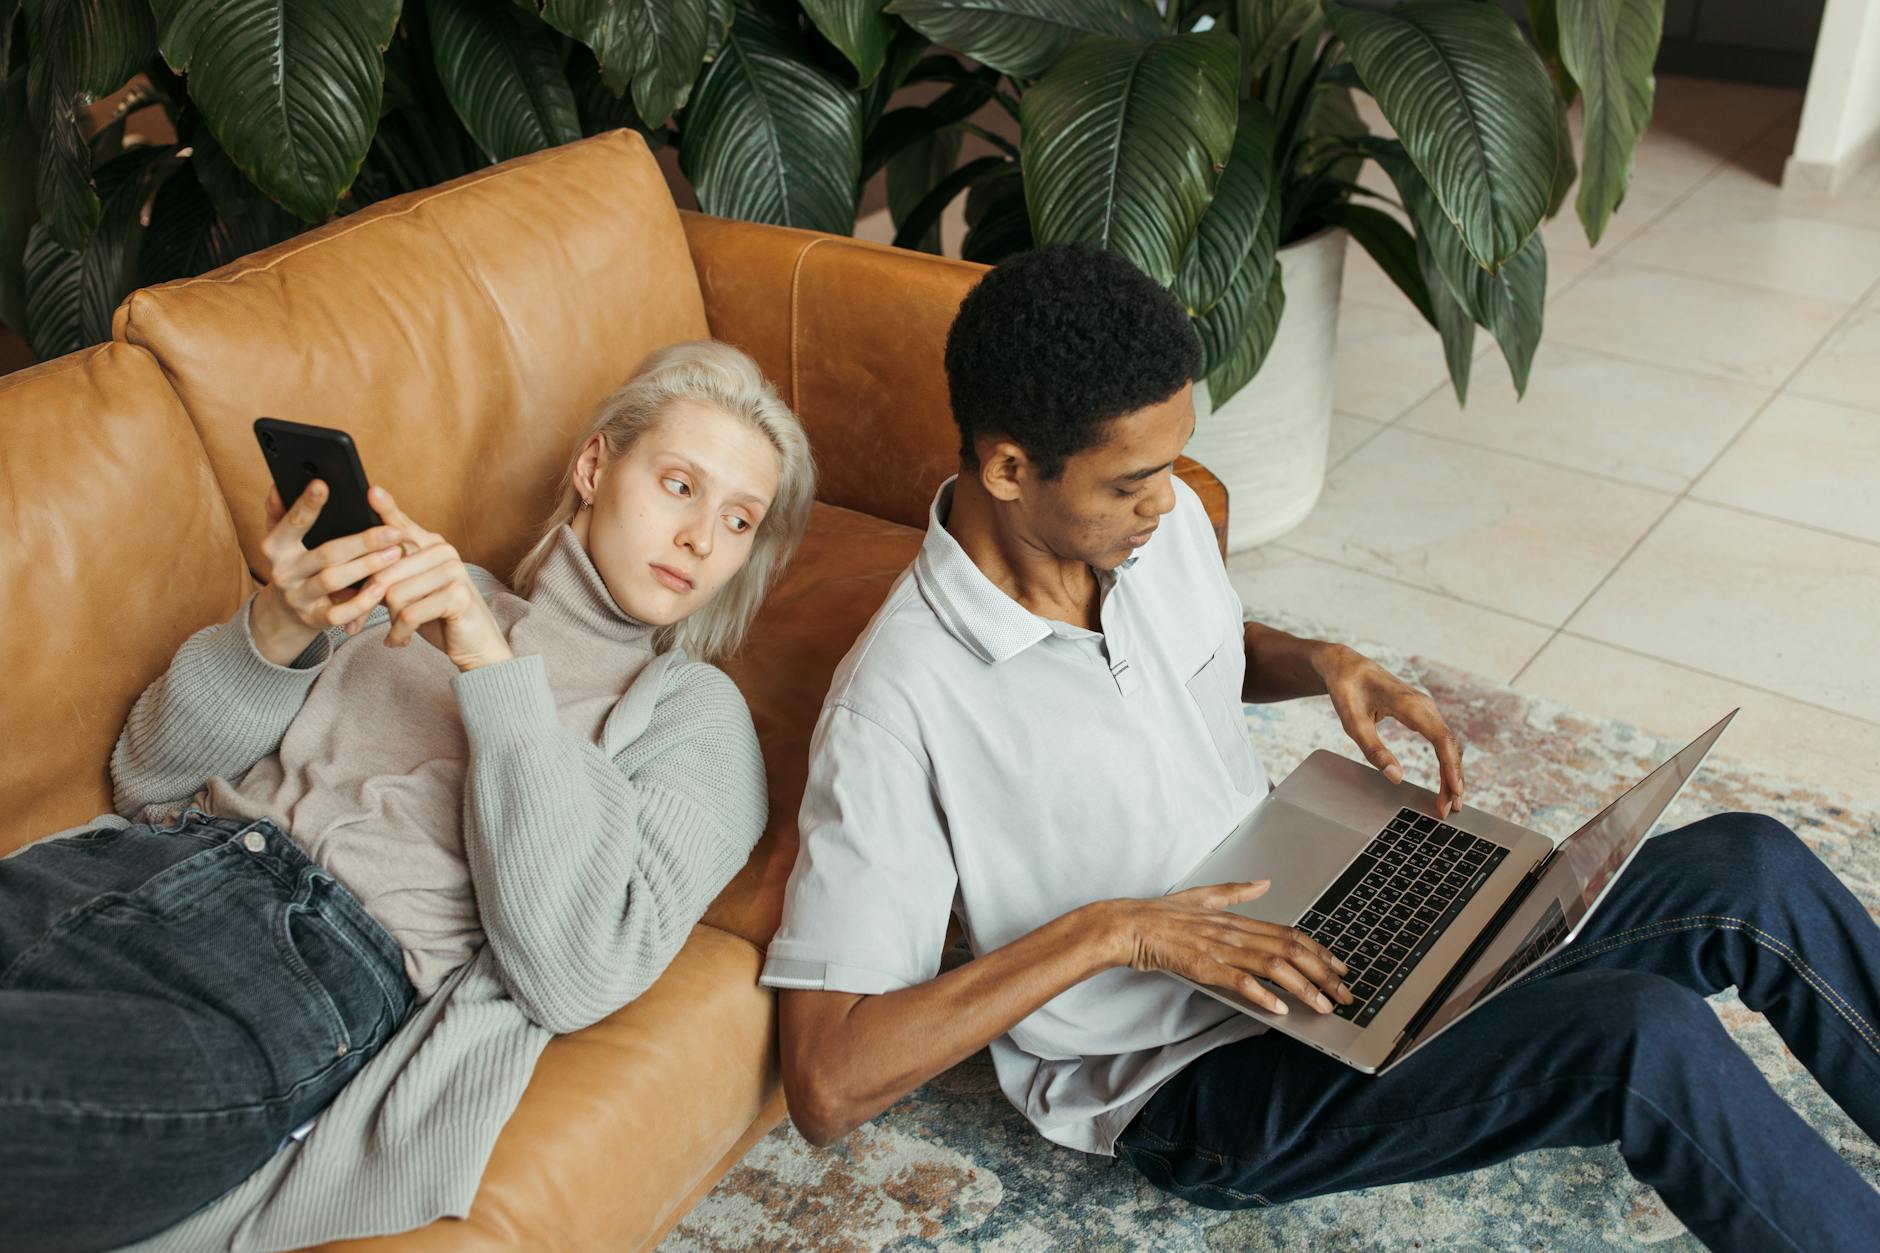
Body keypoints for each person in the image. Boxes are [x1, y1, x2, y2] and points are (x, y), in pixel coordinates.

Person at [760, 243, 1880, 1252]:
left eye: (1172, 461)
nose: (1167, 503)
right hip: (1190, 1078)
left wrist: (1314, 657)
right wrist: (1118, 933)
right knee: (1637, 1038)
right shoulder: (896, 703)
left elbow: (1198, 650)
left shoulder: (1155, 529)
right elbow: (828, 1075)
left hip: (1323, 927)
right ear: (1009, 469)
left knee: (1749, 865)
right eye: (1129, 480)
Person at [0, 339, 815, 1253]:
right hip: (122, 869)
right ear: (595, 465)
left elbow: (578, 971)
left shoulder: (696, 720)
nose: (704, 539)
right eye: (680, 486)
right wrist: (278, 625)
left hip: (301, 968)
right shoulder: (435, 586)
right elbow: (147, 776)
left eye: (741, 521)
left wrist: (489, 667)